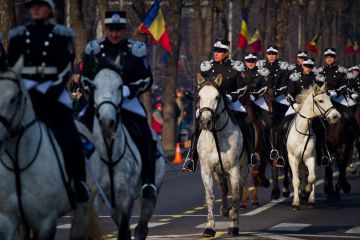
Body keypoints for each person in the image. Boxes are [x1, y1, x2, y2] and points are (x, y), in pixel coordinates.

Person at [7, 0, 89, 203]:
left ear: (50, 9)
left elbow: (65, 67)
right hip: (25, 90)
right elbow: (11, 66)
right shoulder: (19, 35)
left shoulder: (61, 35)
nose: (35, 9)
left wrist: (52, 90)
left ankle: (78, 181)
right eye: (32, 5)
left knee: (70, 133)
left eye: (40, 5)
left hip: (53, 90)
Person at [81, 10, 157, 200]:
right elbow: (85, 78)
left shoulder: (135, 49)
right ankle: (78, 180)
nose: (114, 34)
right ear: (105, 29)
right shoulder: (93, 49)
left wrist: (129, 90)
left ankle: (148, 182)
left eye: (118, 29)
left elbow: (147, 78)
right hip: (100, 102)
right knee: (78, 129)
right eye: (111, 29)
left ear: (125, 30)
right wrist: (95, 95)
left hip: (127, 101)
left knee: (146, 135)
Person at [182, 39, 253, 172]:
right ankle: (191, 157)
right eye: (215, 51)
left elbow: (243, 87)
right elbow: (200, 84)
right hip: (211, 102)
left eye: (220, 51)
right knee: (198, 125)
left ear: (226, 53)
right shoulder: (207, 67)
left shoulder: (235, 67)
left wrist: (232, 96)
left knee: (247, 122)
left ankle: (251, 154)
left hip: (230, 100)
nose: (216, 53)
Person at [285, 57, 331, 166]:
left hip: (312, 109)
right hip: (297, 106)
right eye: (306, 66)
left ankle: (323, 155)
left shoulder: (317, 79)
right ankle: (282, 155)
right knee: (283, 126)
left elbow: (322, 93)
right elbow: (290, 92)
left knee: (321, 128)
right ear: (302, 66)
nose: (308, 68)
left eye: (310, 66)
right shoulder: (295, 77)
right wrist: (293, 103)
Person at [256, 45, 290, 165]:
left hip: (279, 99)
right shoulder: (261, 67)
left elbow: (286, 83)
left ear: (277, 56)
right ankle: (263, 149)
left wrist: (277, 91)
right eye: (269, 54)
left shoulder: (282, 67)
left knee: (285, 125)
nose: (271, 56)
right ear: (266, 55)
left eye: (273, 54)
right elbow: (257, 82)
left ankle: (284, 150)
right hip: (264, 99)